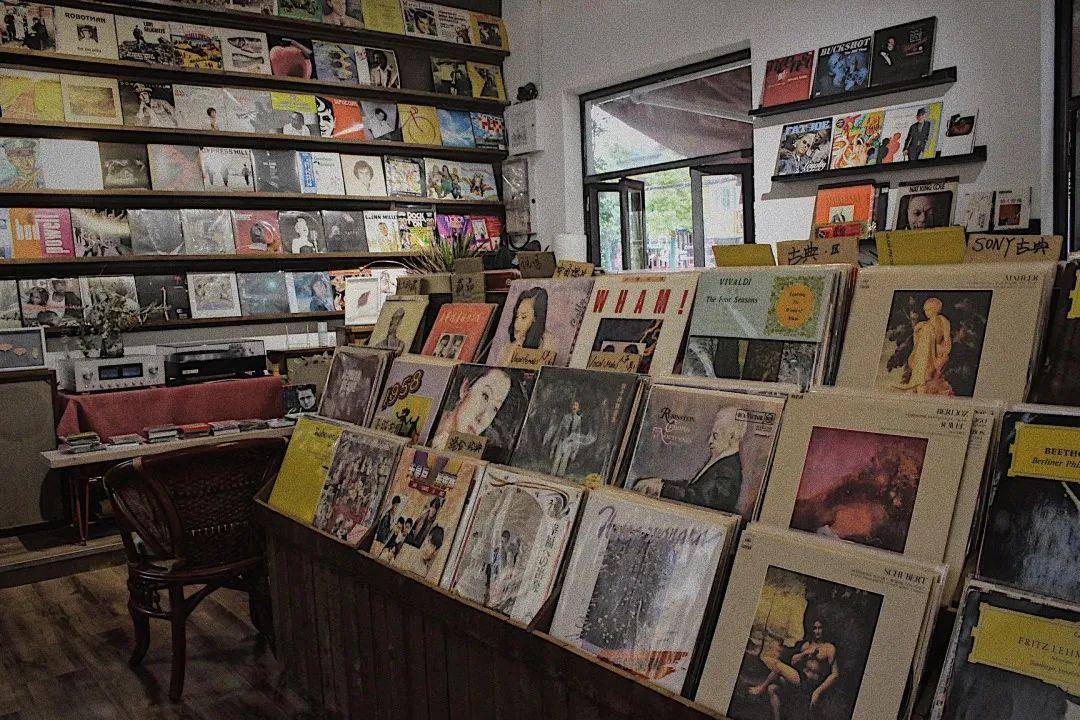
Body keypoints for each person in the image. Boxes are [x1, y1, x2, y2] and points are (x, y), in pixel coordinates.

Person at [631, 406, 746, 513]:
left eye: (715, 436)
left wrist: (662, 489)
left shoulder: (729, 470)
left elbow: (700, 499)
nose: (709, 441)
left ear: (731, 437)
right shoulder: (721, 461)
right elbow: (693, 486)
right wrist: (660, 482)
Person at [748, 616, 840, 719]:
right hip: (800, 679)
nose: (817, 631)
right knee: (772, 688)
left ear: (824, 629)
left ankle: (761, 688)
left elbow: (835, 674)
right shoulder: (807, 645)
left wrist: (817, 692)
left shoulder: (829, 648)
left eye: (820, 628)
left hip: (811, 684)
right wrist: (805, 653)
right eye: (815, 628)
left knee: (778, 666)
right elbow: (793, 663)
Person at [431, 369, 512, 450]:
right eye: (485, 396)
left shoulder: (471, 451)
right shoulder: (430, 418)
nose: (482, 418)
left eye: (495, 408)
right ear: (465, 388)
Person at [896, 297, 953, 395]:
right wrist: (917, 330)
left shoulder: (942, 320)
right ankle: (917, 380)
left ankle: (920, 380)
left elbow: (946, 338)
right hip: (924, 351)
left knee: (926, 329)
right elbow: (917, 341)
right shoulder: (925, 324)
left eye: (927, 310)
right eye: (925, 310)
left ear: (934, 309)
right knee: (924, 328)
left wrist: (945, 351)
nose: (926, 313)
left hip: (935, 350)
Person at [545, 398, 587, 477]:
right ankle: (552, 474)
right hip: (562, 439)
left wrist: (575, 446)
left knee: (565, 460)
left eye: (576, 406)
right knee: (557, 457)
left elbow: (577, 433)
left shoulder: (578, 419)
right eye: (573, 405)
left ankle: (560, 475)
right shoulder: (566, 417)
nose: (574, 407)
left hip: (569, 442)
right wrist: (555, 442)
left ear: (578, 409)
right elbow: (560, 429)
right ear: (571, 407)